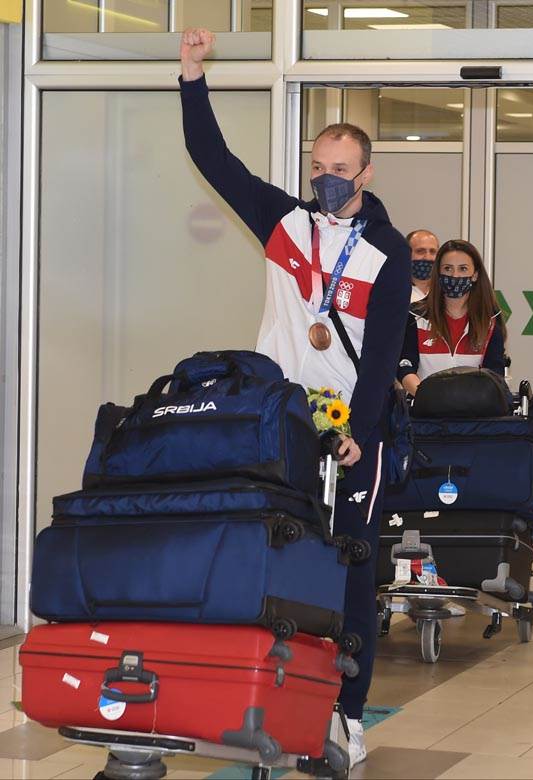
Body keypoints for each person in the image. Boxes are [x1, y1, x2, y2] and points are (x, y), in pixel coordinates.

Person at [179, 27, 411, 768]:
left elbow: (381, 356)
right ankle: (279, 695)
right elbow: (214, 160)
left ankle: (349, 713)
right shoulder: (284, 224)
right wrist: (192, 76)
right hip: (280, 421)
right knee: (277, 554)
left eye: (340, 169)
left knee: (351, 566)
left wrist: (360, 434)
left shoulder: (387, 252)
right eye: (318, 167)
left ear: (366, 171)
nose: (327, 179)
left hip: (353, 431)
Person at [397, 239, 506, 397]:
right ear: (438, 273)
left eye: (463, 269)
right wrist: (426, 397)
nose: (455, 275)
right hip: (424, 407)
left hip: (474, 408)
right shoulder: (415, 315)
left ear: (475, 275)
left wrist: (468, 402)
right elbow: (405, 366)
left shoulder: (490, 320)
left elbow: (495, 374)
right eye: (447, 269)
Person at [407, 228, 439, 302]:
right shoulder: (393, 289)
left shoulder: (445, 290)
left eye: (432, 251)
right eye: (420, 251)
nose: (428, 258)